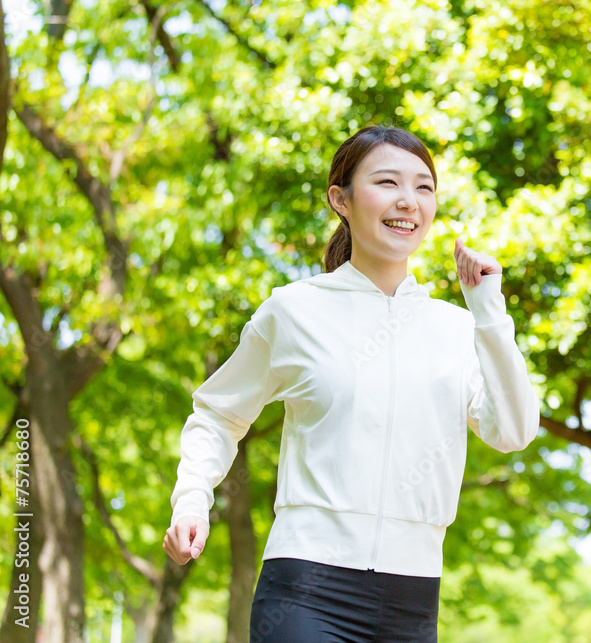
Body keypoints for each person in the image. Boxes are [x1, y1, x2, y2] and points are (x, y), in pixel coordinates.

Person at [162, 124, 540, 642]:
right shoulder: (295, 310)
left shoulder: (457, 328)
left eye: (423, 187)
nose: (408, 200)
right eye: (387, 182)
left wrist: (490, 314)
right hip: (304, 589)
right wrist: (191, 499)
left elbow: (513, 431)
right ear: (340, 199)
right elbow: (218, 413)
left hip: (413, 599)